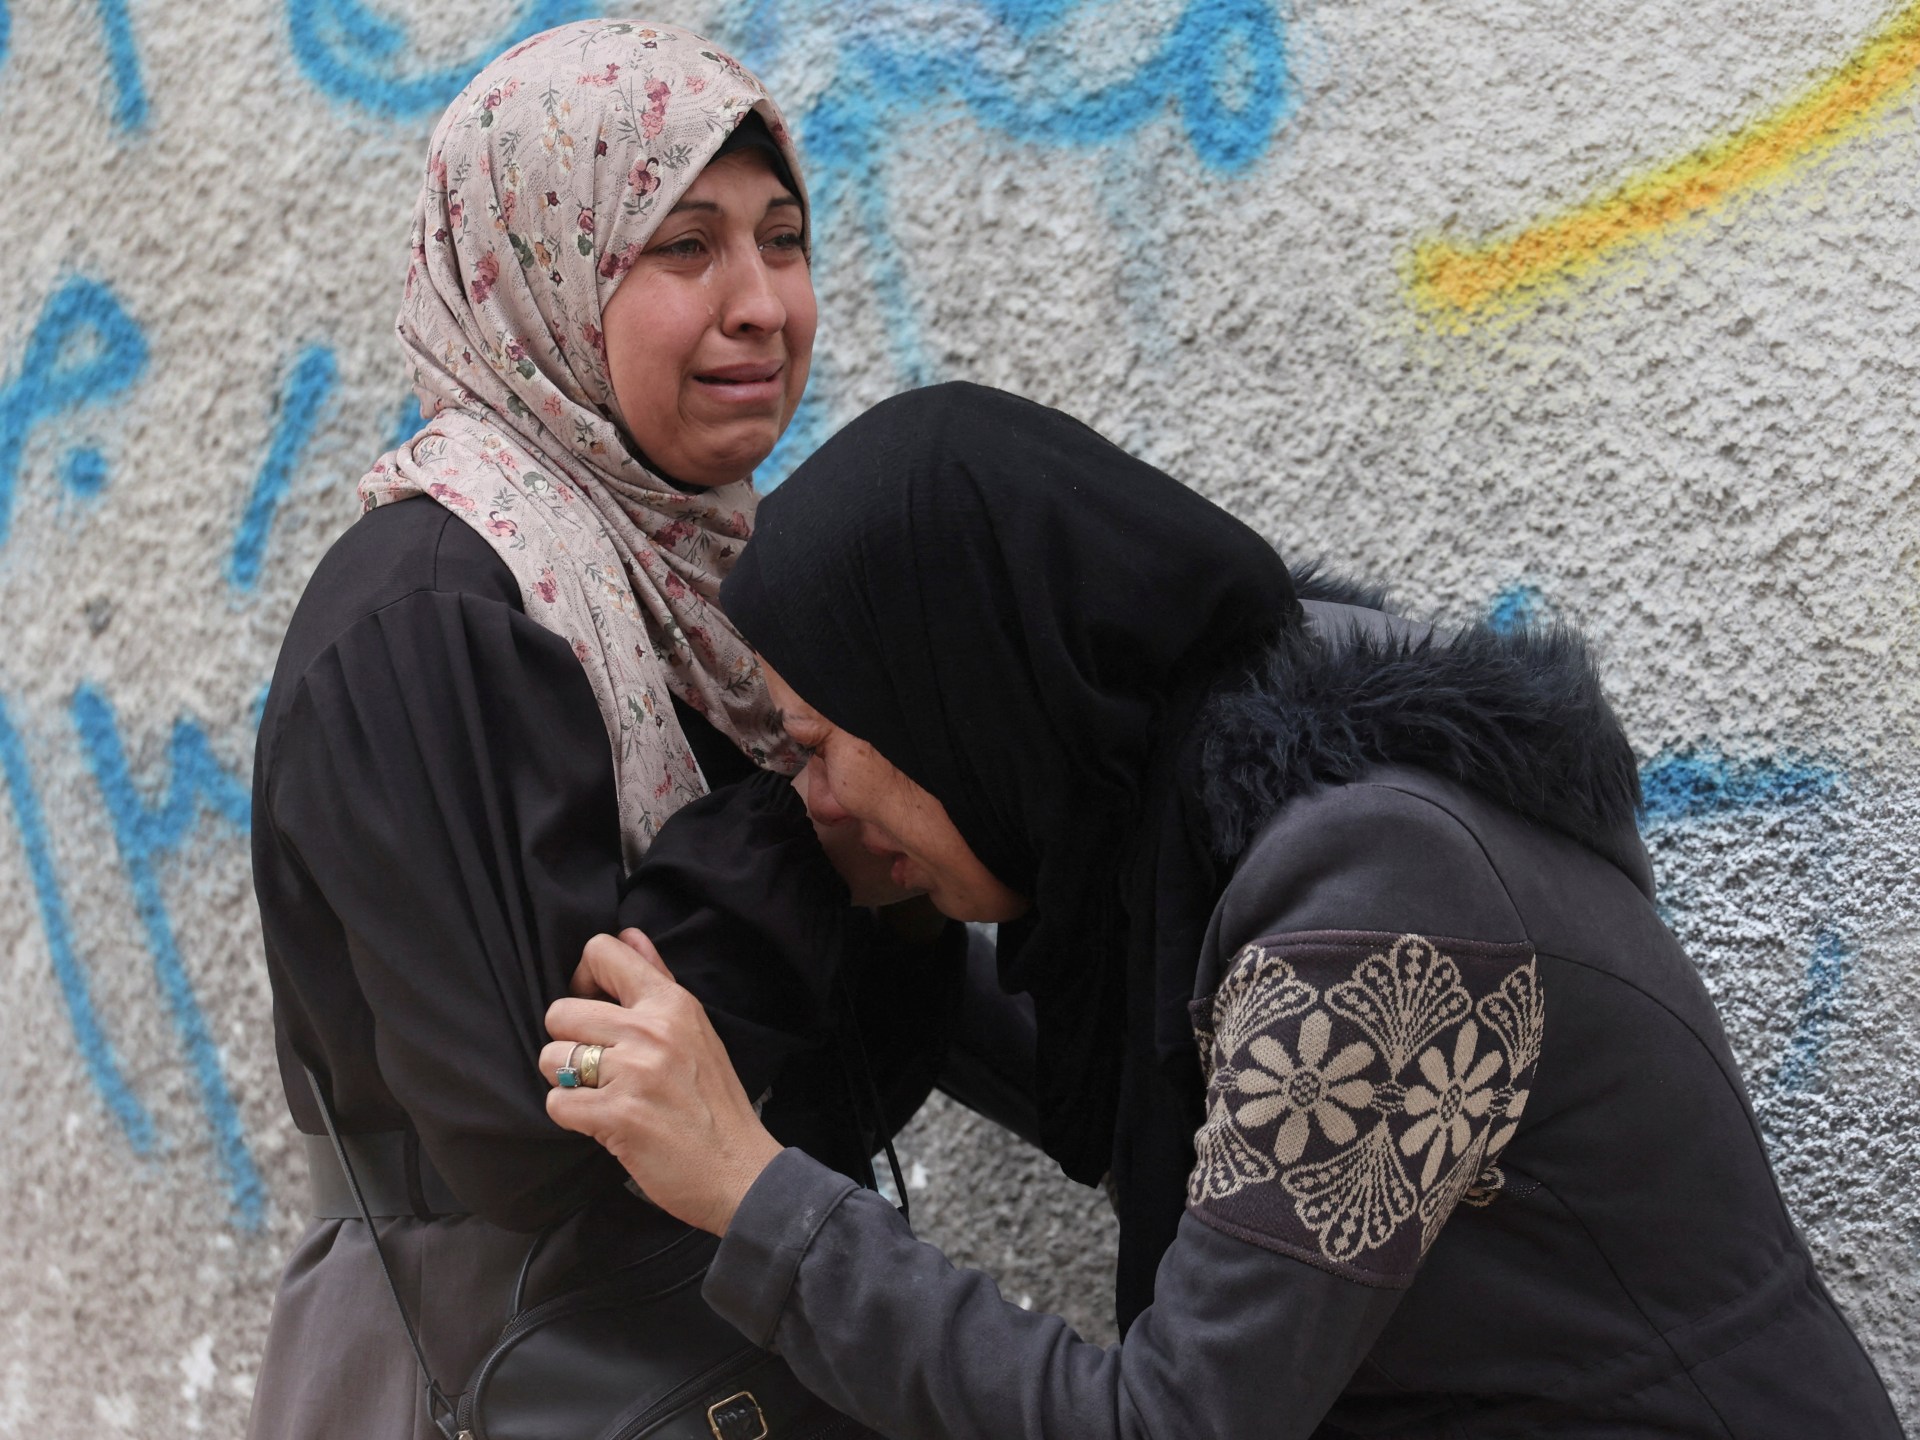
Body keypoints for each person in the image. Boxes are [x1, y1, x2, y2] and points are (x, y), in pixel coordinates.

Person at [540, 383, 1905, 1437]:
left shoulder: (1386, 921)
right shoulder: (1214, 822)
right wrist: (880, 939)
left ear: (962, 710)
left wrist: (751, 1191)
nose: (819, 804)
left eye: (822, 748)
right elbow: (1127, 1063)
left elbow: (1179, 1425)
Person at [246, 22, 976, 1439]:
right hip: (518, 1362)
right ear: (542, 267)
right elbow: (532, 1127)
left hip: (725, 1348)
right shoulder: (439, 613)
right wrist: (808, 829)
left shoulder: (711, 589)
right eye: (685, 247)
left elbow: (830, 1058)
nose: (762, 304)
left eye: (784, 240)